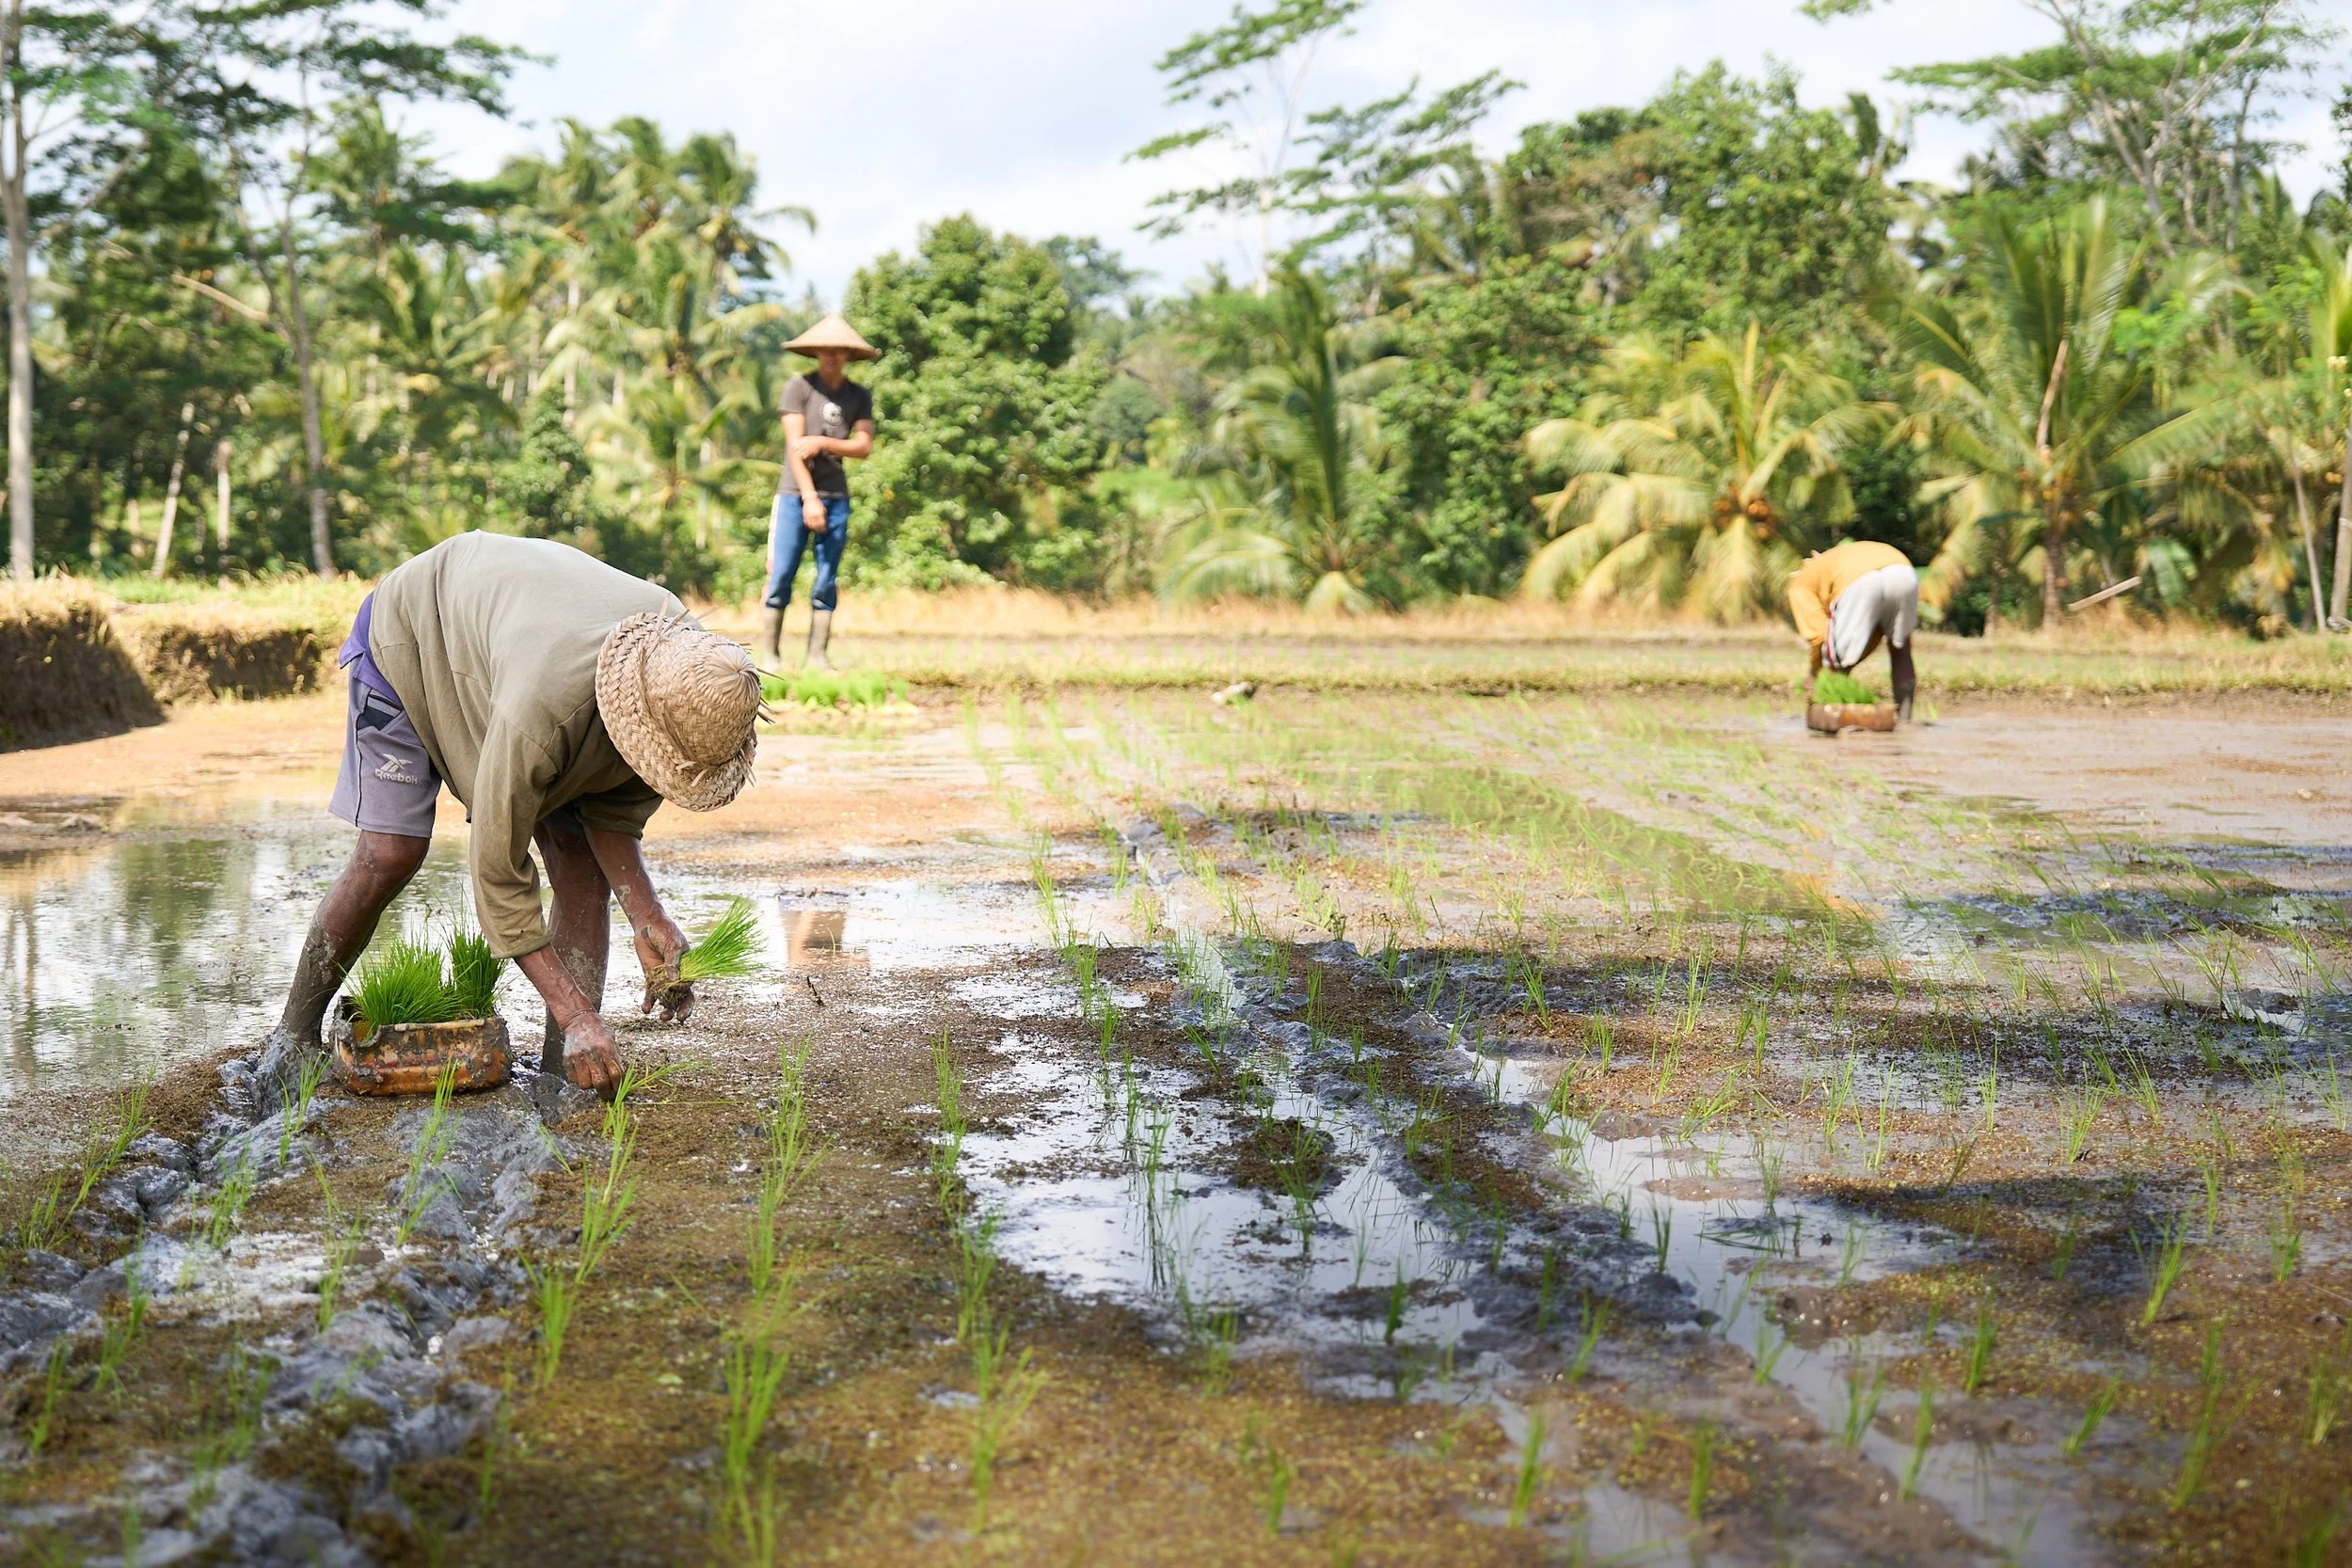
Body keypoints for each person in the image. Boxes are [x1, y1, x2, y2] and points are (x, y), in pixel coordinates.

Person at [270, 531, 764, 1095]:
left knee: (581, 871)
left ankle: (565, 1076)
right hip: (417, 635)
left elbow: (612, 812)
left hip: (515, 650)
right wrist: (578, 1015)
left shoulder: (693, 672)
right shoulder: (541, 714)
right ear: (634, 714)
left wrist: (646, 911)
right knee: (391, 852)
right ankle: (292, 1037)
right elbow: (498, 877)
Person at [763, 314, 878, 671]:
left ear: (847, 355)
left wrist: (824, 442)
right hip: (795, 496)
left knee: (827, 576)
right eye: (825, 350)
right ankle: (771, 656)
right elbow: (796, 449)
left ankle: (817, 658)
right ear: (815, 353)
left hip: (837, 496)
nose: (831, 356)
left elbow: (863, 445)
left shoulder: (858, 396)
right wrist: (809, 498)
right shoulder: (799, 388)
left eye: (838, 351)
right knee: (782, 573)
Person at [1788, 539, 1919, 720]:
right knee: (1901, 651)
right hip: (1903, 571)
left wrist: (1815, 673)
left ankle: (1837, 719)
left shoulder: (1800, 583)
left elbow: (1819, 636)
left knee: (1836, 664)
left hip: (1859, 580)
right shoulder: (1832, 560)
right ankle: (1905, 720)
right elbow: (1872, 634)